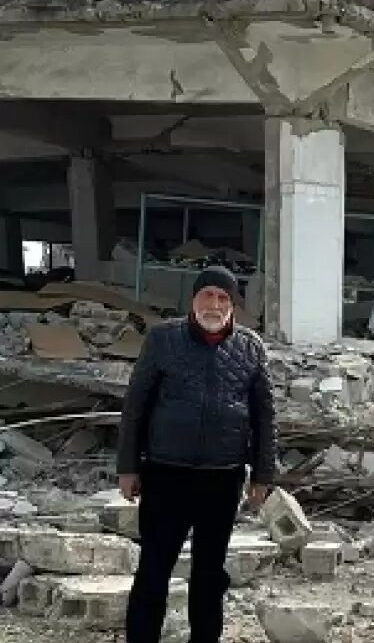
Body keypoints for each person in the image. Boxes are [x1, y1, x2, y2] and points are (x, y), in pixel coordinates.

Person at [116, 265, 276, 643]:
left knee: (209, 573)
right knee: (154, 570)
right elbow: (135, 405)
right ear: (193, 300)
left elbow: (264, 415)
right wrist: (127, 466)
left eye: (223, 298)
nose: (215, 304)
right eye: (208, 295)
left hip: (222, 478)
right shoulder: (162, 340)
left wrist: (264, 475)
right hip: (165, 474)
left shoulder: (250, 347)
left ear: (233, 306)